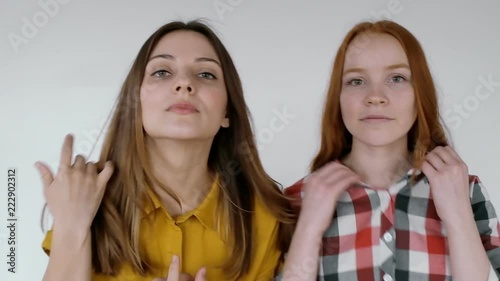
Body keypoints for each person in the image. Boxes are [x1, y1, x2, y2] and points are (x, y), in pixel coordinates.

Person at [35, 20, 295, 281]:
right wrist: (71, 226)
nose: (184, 83)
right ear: (136, 101)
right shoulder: (85, 197)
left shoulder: (265, 216)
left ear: (227, 111)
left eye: (206, 74)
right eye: (162, 72)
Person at [278, 20, 500, 281]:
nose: (375, 96)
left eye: (397, 78)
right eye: (356, 80)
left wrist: (458, 215)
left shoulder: (465, 190)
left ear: (421, 95)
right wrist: (309, 229)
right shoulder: (296, 200)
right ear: (338, 98)